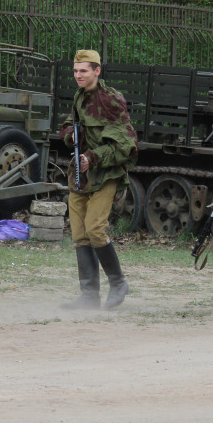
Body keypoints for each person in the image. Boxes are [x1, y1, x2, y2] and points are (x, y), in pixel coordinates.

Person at [58, 49, 139, 310]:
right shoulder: (80, 97)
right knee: (80, 233)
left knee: (95, 228)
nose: (78, 75)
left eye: (83, 71)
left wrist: (92, 157)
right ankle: (89, 295)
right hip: (81, 175)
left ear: (97, 71)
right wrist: (70, 134)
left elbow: (125, 144)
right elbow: (67, 125)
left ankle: (118, 283)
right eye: (75, 71)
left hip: (106, 173)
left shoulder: (111, 100)